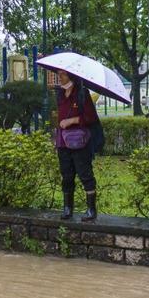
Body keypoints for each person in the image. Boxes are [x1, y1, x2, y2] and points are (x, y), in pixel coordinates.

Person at [54, 69, 100, 222]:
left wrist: (72, 120)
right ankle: (68, 208)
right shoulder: (60, 94)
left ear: (71, 76)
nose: (59, 77)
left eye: (63, 74)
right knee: (66, 176)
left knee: (85, 175)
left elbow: (90, 117)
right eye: (58, 74)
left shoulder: (82, 93)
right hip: (62, 142)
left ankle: (91, 209)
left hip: (79, 142)